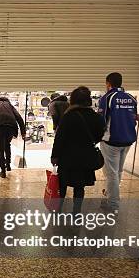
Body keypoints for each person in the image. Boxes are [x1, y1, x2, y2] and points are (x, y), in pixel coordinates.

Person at [51, 86, 106, 215]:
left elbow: (60, 138)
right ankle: (76, 212)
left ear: (73, 100)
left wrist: (55, 156)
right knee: (79, 186)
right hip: (86, 157)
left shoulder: (68, 116)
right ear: (89, 100)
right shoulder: (96, 117)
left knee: (62, 185)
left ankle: (58, 210)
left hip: (67, 157)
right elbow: (100, 135)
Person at [97, 72, 138, 211]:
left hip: (111, 141)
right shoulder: (131, 98)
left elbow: (101, 120)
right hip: (128, 140)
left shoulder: (107, 98)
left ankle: (113, 203)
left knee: (111, 173)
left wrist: (97, 136)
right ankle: (110, 194)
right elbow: (134, 119)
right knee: (118, 171)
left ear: (108, 83)